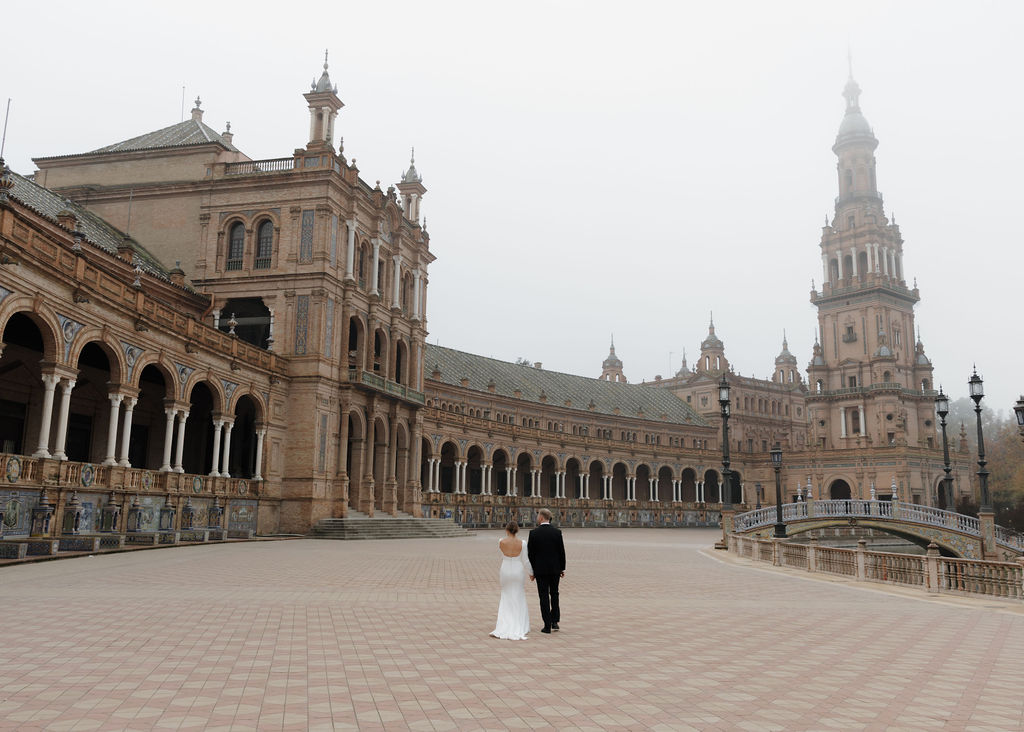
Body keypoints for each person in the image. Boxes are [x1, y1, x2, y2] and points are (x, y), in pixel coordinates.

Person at [489, 520, 532, 640]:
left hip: (505, 570)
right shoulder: (522, 543)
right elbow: (526, 561)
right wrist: (531, 573)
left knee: (506, 595)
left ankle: (504, 623)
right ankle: (519, 623)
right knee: (518, 595)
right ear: (517, 530)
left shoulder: (501, 542)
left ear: (506, 530)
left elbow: (502, 555)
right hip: (518, 570)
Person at [527, 508, 566, 634]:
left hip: (540, 570)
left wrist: (532, 571)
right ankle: (555, 621)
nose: (537, 518)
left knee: (543, 596)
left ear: (542, 517)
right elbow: (561, 552)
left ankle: (547, 624)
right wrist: (562, 568)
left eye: (538, 516)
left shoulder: (533, 533)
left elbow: (530, 554)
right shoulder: (557, 532)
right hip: (555, 569)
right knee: (554, 594)